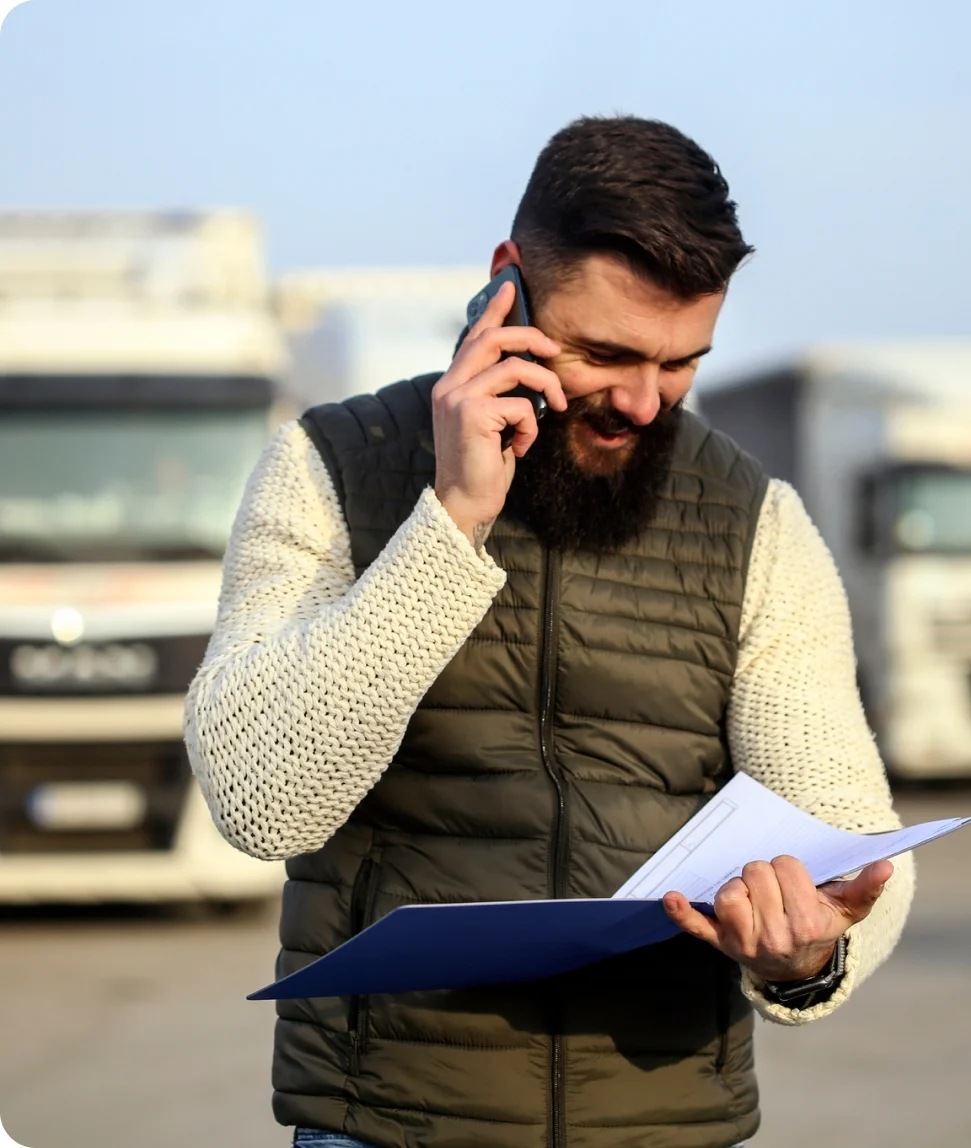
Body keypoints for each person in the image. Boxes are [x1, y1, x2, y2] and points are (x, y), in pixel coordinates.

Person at [185, 115, 915, 1148]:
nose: (640, 401)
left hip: (666, 1124)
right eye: (606, 352)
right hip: (386, 1121)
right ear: (505, 286)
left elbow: (848, 837)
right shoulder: (327, 468)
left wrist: (808, 952)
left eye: (681, 363)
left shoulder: (758, 524)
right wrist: (448, 521)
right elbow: (262, 798)